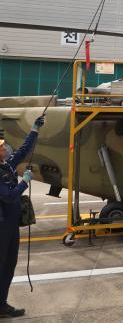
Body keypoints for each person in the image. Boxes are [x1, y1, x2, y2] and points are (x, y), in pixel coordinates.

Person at [0, 115, 44, 318]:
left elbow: (24, 150)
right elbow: (8, 196)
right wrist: (24, 182)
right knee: (2, 266)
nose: (5, 147)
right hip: (1, 227)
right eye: (1, 146)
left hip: (11, 225)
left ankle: (2, 304)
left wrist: (35, 130)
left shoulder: (7, 165)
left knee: (9, 265)